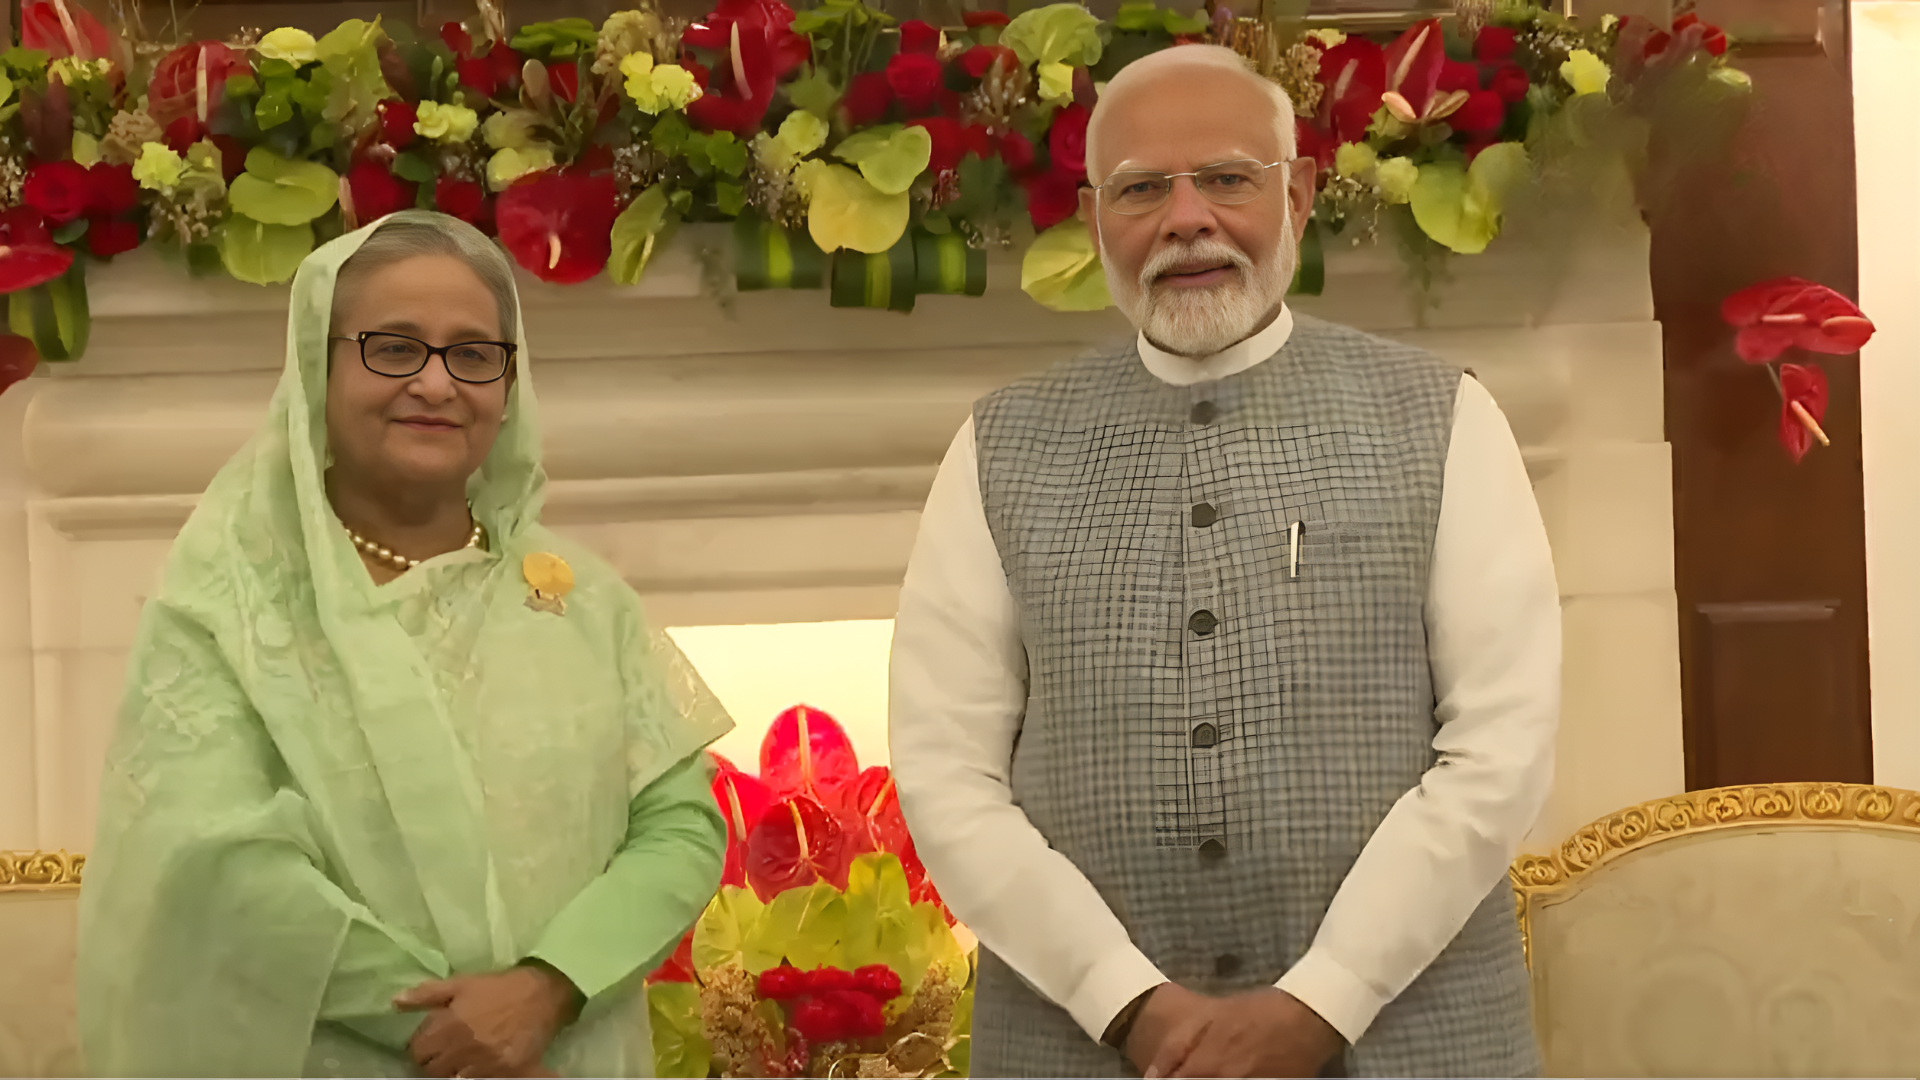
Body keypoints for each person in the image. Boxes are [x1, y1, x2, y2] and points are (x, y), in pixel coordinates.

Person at [889, 45, 1559, 1078]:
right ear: (1094, 216)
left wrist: (1322, 1000)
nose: (1186, 218)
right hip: (1082, 1047)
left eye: (1228, 180)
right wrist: (1128, 1003)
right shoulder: (998, 446)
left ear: (1296, 195)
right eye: (1143, 189)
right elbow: (947, 774)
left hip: (1412, 1045)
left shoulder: (1442, 416)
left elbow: (1499, 750)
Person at [76, 211, 732, 1078]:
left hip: (567, 1045)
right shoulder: (227, 601)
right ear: (319, 366)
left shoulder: (581, 597)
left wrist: (546, 989)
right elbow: (215, 861)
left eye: (472, 354)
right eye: (393, 347)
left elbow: (680, 825)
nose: (436, 383)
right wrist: (450, 1030)